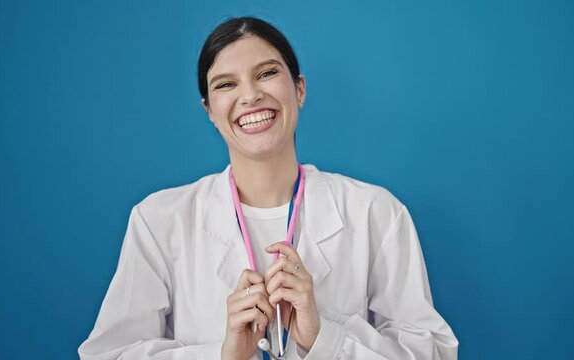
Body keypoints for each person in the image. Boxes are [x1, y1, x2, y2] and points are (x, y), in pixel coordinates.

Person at [78, 16, 458, 360]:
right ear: (210, 110)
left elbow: (433, 353)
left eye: (266, 74)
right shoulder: (158, 220)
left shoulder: (376, 213)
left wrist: (323, 338)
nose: (250, 96)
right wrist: (224, 356)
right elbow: (109, 355)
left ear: (300, 89)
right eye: (226, 84)